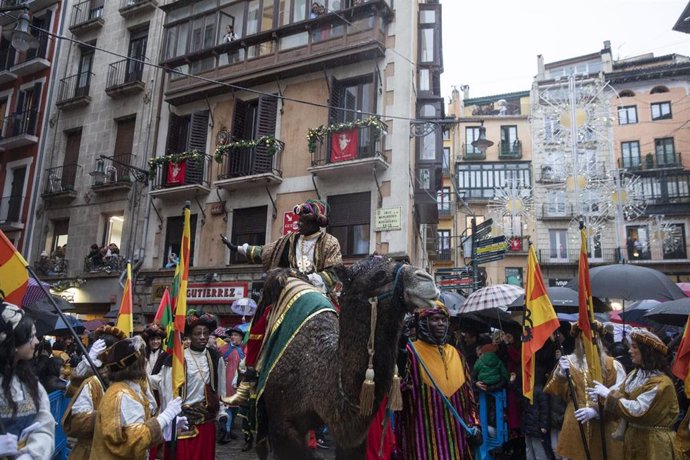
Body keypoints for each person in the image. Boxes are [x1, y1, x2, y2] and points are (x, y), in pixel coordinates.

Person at [221, 199, 342, 405]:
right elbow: (264, 251)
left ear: (315, 221)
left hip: (319, 293)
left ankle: (340, 380)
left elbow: (334, 271)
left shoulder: (329, 242)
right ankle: (249, 378)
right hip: (290, 291)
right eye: (298, 219)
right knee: (261, 320)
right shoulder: (289, 240)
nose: (298, 223)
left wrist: (310, 279)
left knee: (343, 326)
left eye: (303, 220)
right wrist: (238, 248)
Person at [395, 302, 481, 459]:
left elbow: (469, 398)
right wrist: (400, 354)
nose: (441, 323)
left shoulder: (457, 354)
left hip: (457, 442)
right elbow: (398, 390)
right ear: (423, 323)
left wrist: (475, 424)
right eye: (435, 319)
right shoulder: (410, 352)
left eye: (443, 319)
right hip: (423, 441)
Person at [588, 329, 680, 459]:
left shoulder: (662, 383)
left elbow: (639, 410)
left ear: (648, 352)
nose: (630, 351)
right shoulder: (634, 375)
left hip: (653, 443)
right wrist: (598, 407)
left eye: (634, 347)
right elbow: (620, 396)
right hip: (634, 440)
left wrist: (609, 395)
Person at [90, 335, 186, 459]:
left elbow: (136, 428)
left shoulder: (128, 388)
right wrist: (165, 417)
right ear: (136, 364)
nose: (145, 360)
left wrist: (165, 429)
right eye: (142, 357)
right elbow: (135, 439)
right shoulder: (123, 394)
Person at [544, 321, 625, 460]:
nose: (587, 341)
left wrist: (597, 410)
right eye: (583, 338)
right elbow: (552, 390)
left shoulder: (612, 364)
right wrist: (561, 375)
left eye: (592, 337)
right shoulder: (568, 361)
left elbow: (622, 393)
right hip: (575, 421)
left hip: (604, 424)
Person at [153, 311, 226, 459]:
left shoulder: (215, 357)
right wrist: (171, 419)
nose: (202, 337)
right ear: (189, 336)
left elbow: (220, 389)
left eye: (206, 333)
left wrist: (222, 413)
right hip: (183, 421)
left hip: (206, 421)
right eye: (197, 333)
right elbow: (167, 392)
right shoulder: (176, 359)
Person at [0, 301, 55, 459]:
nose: (36, 342)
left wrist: (32, 453)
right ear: (13, 344)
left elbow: (44, 424)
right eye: (30, 337)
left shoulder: (29, 382)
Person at [62, 325, 127, 460]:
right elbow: (71, 390)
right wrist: (88, 361)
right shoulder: (93, 382)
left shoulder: (128, 377)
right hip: (91, 449)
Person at [219, 326, 245, 444]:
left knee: (236, 407)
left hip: (239, 382)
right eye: (232, 335)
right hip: (227, 380)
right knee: (227, 406)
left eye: (236, 335)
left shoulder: (244, 350)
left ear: (241, 337)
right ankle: (226, 431)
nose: (233, 337)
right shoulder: (223, 349)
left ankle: (229, 428)